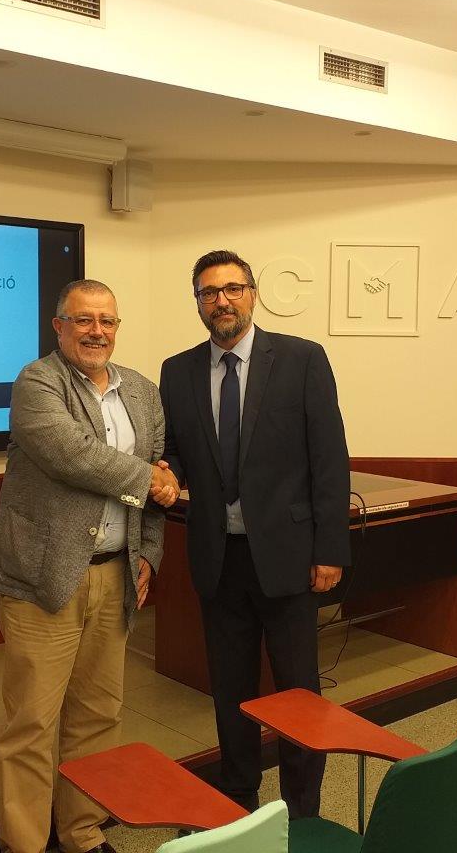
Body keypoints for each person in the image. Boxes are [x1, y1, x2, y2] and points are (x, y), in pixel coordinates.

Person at [0, 279, 178, 853]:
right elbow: (73, 456)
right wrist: (152, 479)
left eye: (107, 321)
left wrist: (149, 553)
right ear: (59, 326)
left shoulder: (141, 391)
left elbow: (156, 476)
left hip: (116, 573)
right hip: (43, 576)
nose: (97, 332)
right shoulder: (38, 382)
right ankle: (24, 842)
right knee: (32, 722)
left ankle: (81, 831)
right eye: (83, 320)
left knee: (98, 714)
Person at [159, 250, 349, 818]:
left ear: (252, 294)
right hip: (219, 559)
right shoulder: (177, 371)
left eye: (232, 289)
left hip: (290, 557)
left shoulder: (301, 359)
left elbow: (329, 459)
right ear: (198, 302)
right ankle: (238, 798)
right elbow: (177, 453)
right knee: (230, 691)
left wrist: (330, 550)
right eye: (209, 292)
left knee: (298, 692)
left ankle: (302, 807)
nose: (221, 300)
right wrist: (165, 472)